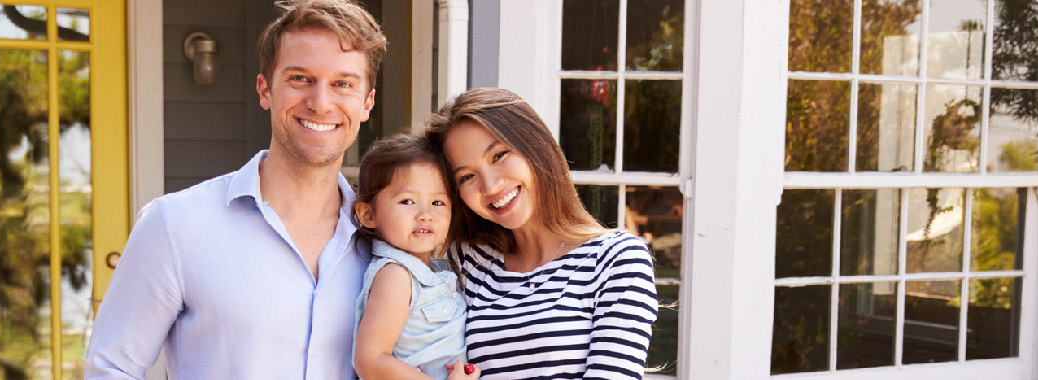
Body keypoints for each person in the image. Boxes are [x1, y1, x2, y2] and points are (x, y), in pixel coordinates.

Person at [84, 0, 385, 378]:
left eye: (342, 84)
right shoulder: (175, 225)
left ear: (366, 103)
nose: (321, 103)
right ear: (265, 90)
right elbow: (110, 368)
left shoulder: (388, 237)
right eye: (300, 79)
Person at [425, 88, 659, 379]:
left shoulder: (616, 258)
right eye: (467, 176)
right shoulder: (468, 261)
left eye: (499, 155)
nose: (490, 185)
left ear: (535, 146)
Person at [349, 133, 479, 380]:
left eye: (438, 202)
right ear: (368, 214)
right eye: (407, 201)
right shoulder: (396, 275)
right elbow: (370, 361)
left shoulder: (438, 268)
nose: (425, 214)